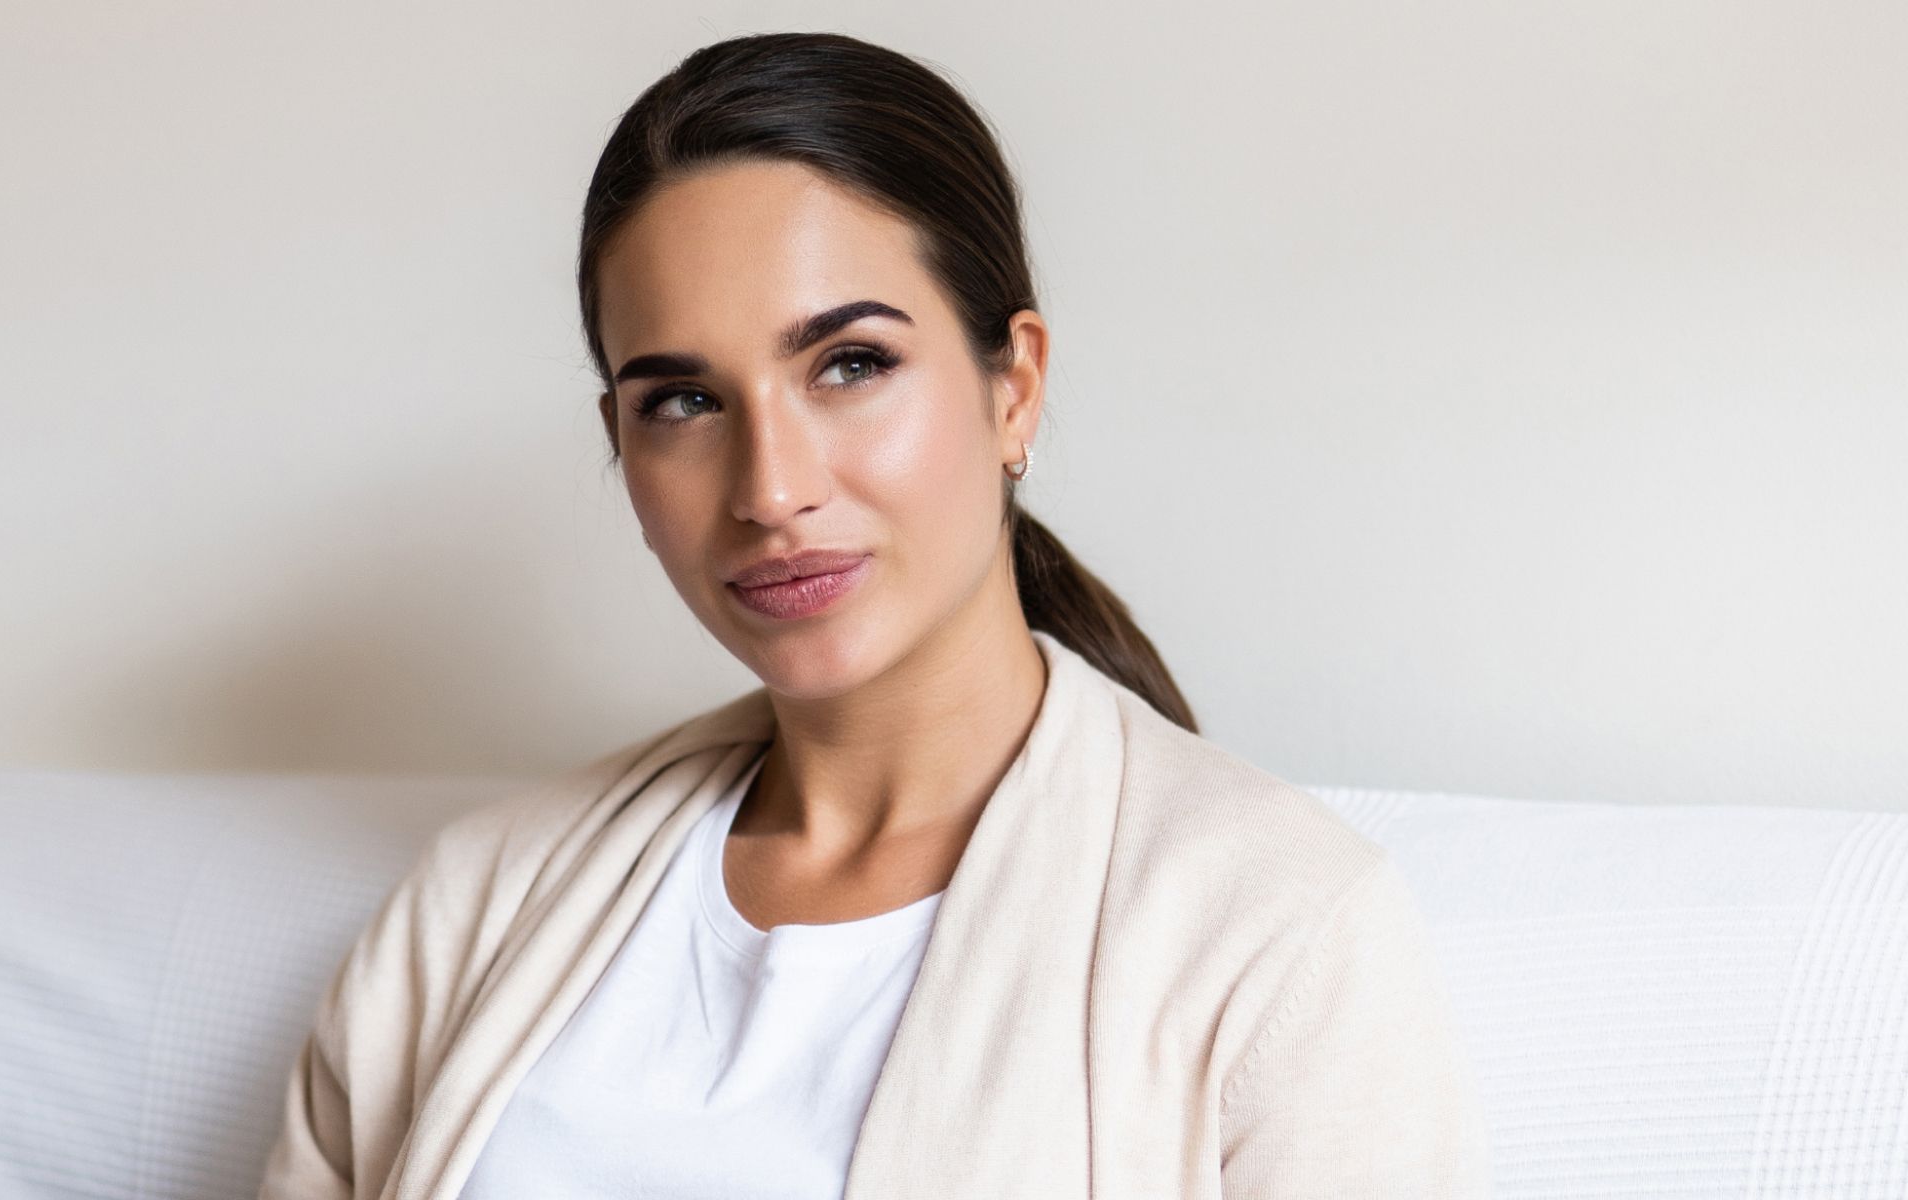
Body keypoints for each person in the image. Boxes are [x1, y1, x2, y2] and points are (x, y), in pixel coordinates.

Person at [257, 30, 1490, 1200]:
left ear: (1015, 389)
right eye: (682, 401)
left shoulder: (1273, 929)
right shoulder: (479, 903)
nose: (771, 489)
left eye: (849, 364)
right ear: (618, 443)